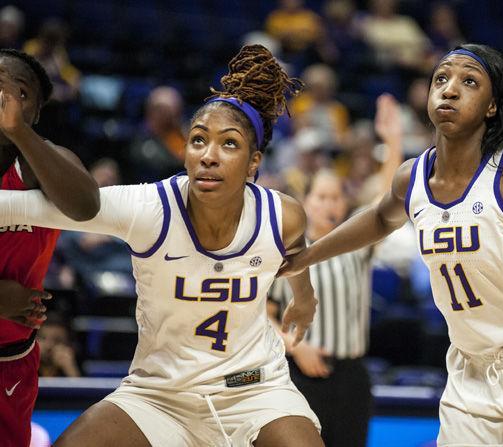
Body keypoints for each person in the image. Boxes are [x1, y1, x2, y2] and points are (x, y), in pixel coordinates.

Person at [281, 44, 503, 446]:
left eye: (468, 81)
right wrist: (308, 255)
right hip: (473, 367)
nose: (450, 90)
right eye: (441, 79)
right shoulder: (412, 178)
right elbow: (380, 218)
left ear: (491, 107)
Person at [0, 44, 323, 447]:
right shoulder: (149, 208)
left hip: (255, 388)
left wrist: (304, 297)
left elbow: (296, 246)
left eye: (229, 144)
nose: (208, 155)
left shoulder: (283, 214)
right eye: (198, 140)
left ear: (254, 161)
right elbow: (25, 206)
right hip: (159, 395)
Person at [268, 94, 402, 447]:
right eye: (321, 197)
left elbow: (388, 199)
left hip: (352, 374)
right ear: (306, 202)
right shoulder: (287, 253)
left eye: (335, 197)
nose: (329, 204)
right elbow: (260, 315)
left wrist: (393, 141)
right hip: (298, 371)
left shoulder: (356, 246)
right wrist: (294, 348)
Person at [0, 48, 99, 447]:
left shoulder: (46, 163)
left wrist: (18, 131)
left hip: (11, 356)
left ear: (31, 107)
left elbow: (86, 206)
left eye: (15, 91)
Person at [37, 312, 80, 378]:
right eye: (43, 338)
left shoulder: (78, 364)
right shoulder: (24, 363)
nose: (49, 346)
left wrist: (70, 370)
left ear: (69, 345)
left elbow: (80, 387)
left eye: (57, 340)